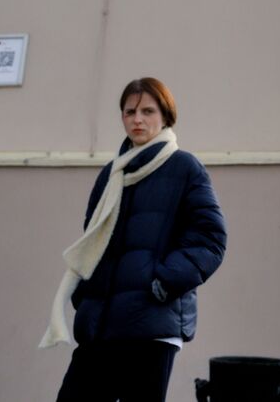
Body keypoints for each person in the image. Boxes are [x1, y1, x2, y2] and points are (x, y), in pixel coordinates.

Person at [43, 77, 227, 402]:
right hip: (101, 327)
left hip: (151, 326)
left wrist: (164, 282)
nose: (137, 119)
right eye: (130, 112)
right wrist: (86, 296)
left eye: (147, 111)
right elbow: (92, 244)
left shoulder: (184, 167)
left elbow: (210, 238)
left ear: (165, 115)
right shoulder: (111, 174)